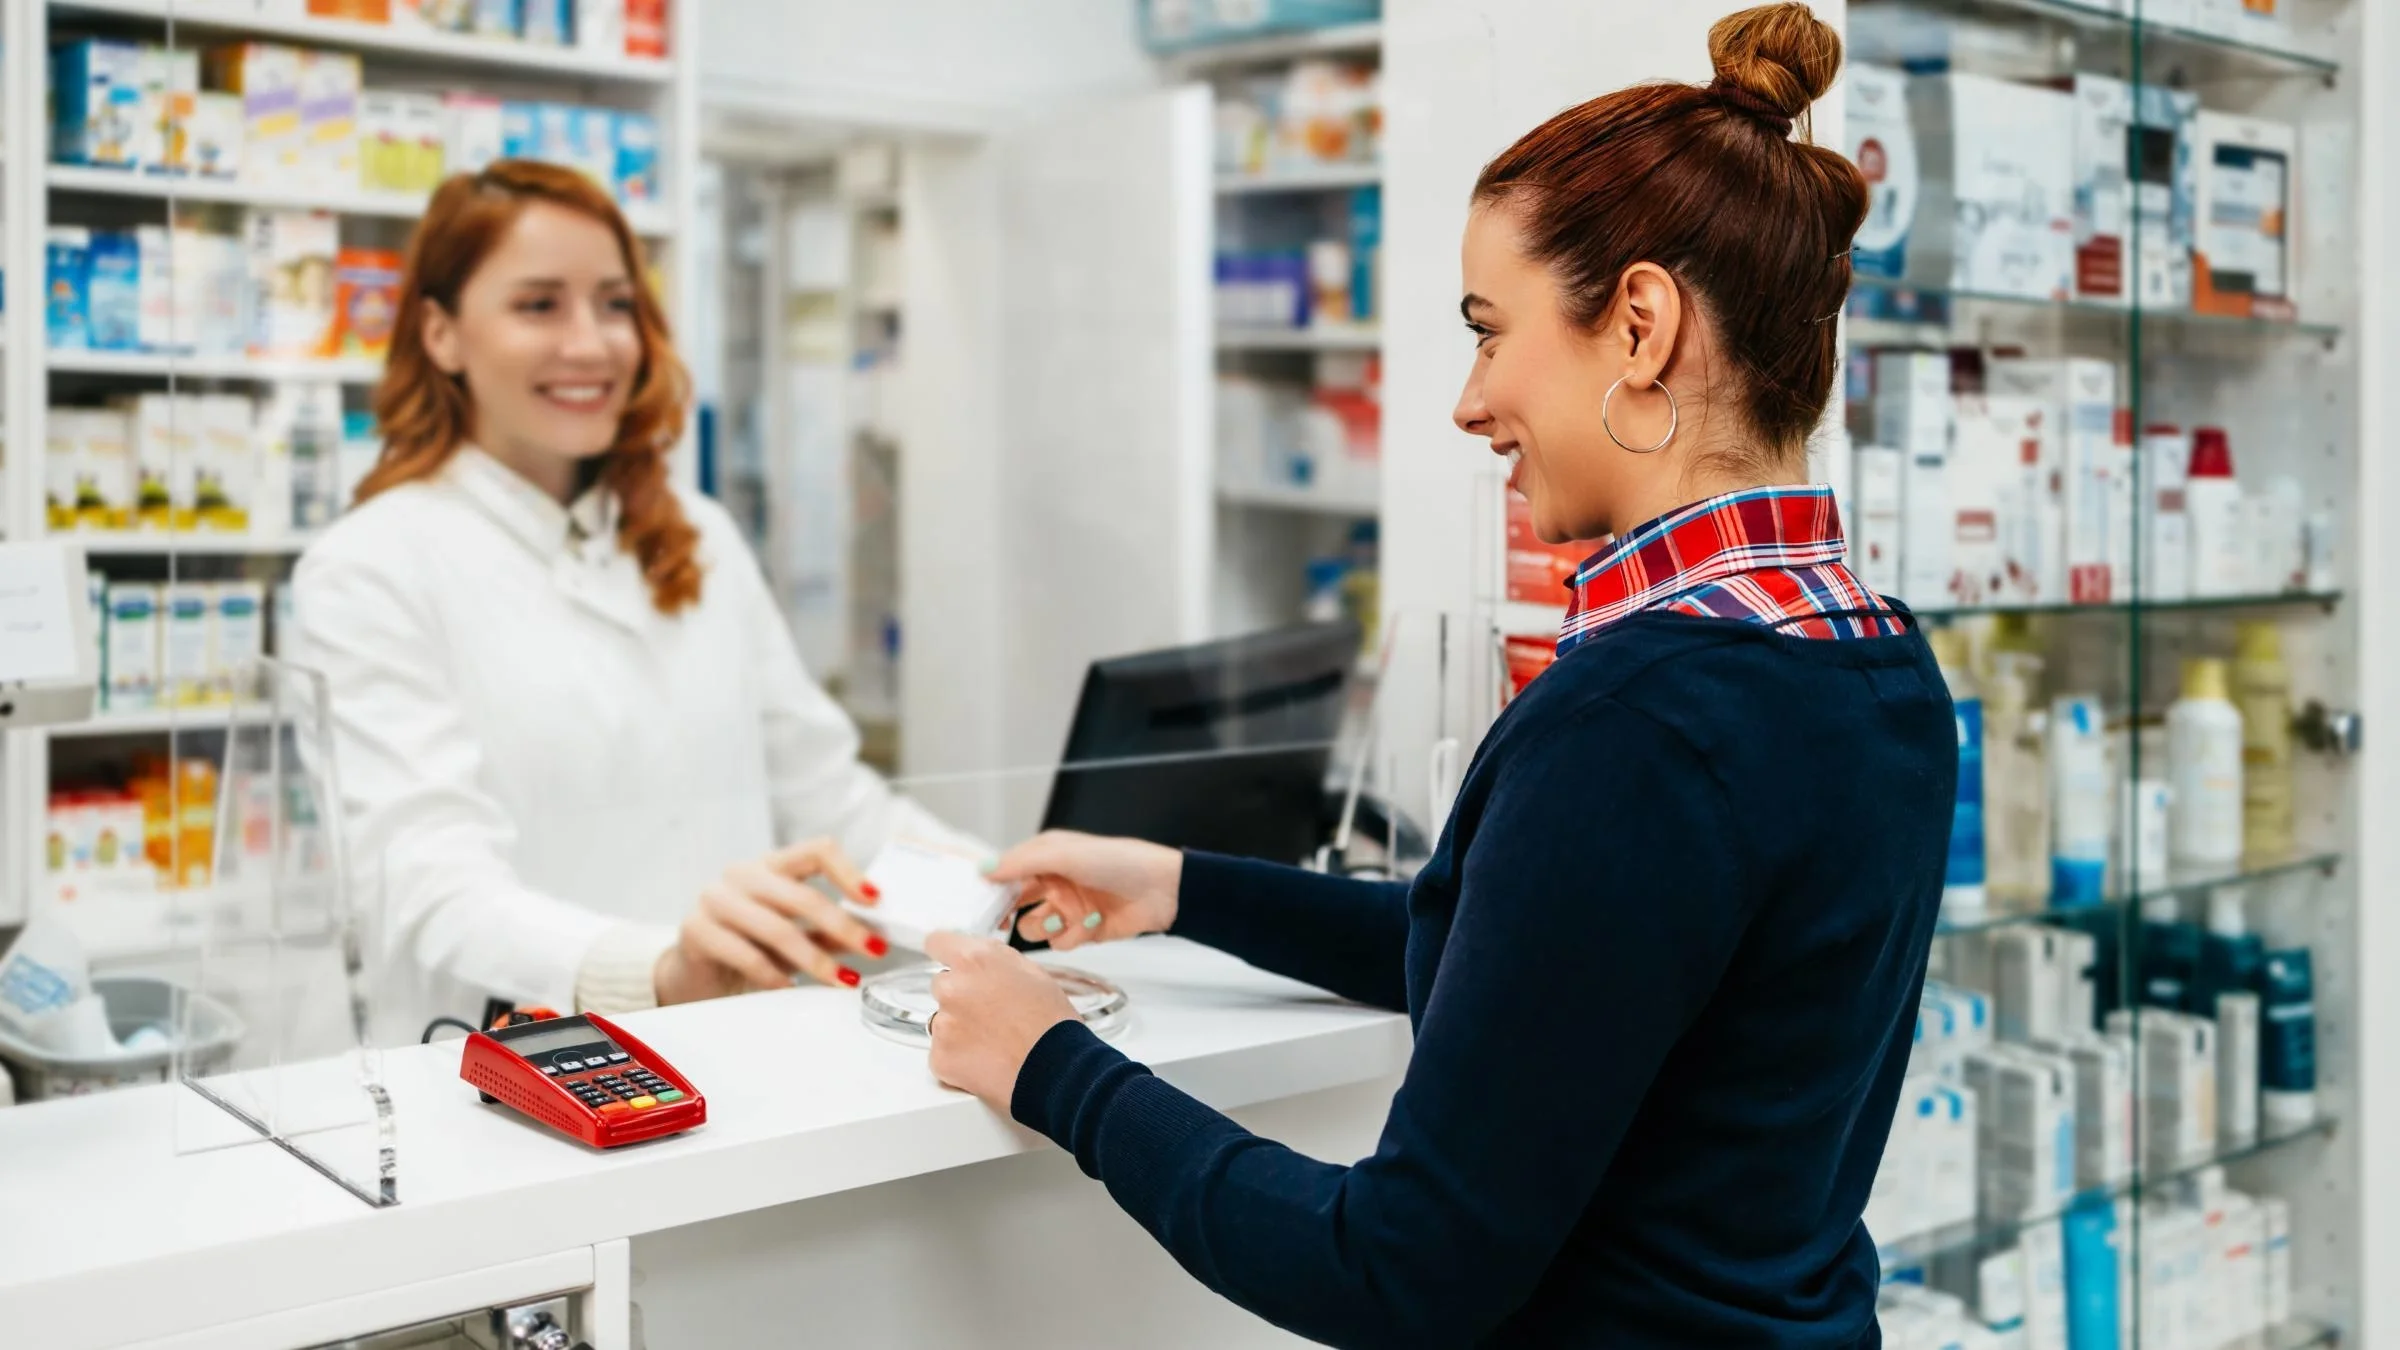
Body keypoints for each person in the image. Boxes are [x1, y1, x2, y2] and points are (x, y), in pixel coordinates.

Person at [919, 6, 1955, 1346]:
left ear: (1638, 326)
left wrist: (1053, 1066)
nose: (1468, 402)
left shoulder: (1637, 719)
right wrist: (1182, 887)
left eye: (1486, 329)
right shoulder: (1874, 662)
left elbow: (1396, 1269)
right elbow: (1552, 969)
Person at [295, 161, 957, 1046]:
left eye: (615, 303)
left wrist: (1004, 900)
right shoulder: (369, 568)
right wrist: (658, 971)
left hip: (747, 1049)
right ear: (441, 334)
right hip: (520, 1076)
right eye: (539, 305)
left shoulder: (700, 535)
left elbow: (835, 806)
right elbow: (427, 881)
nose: (593, 343)